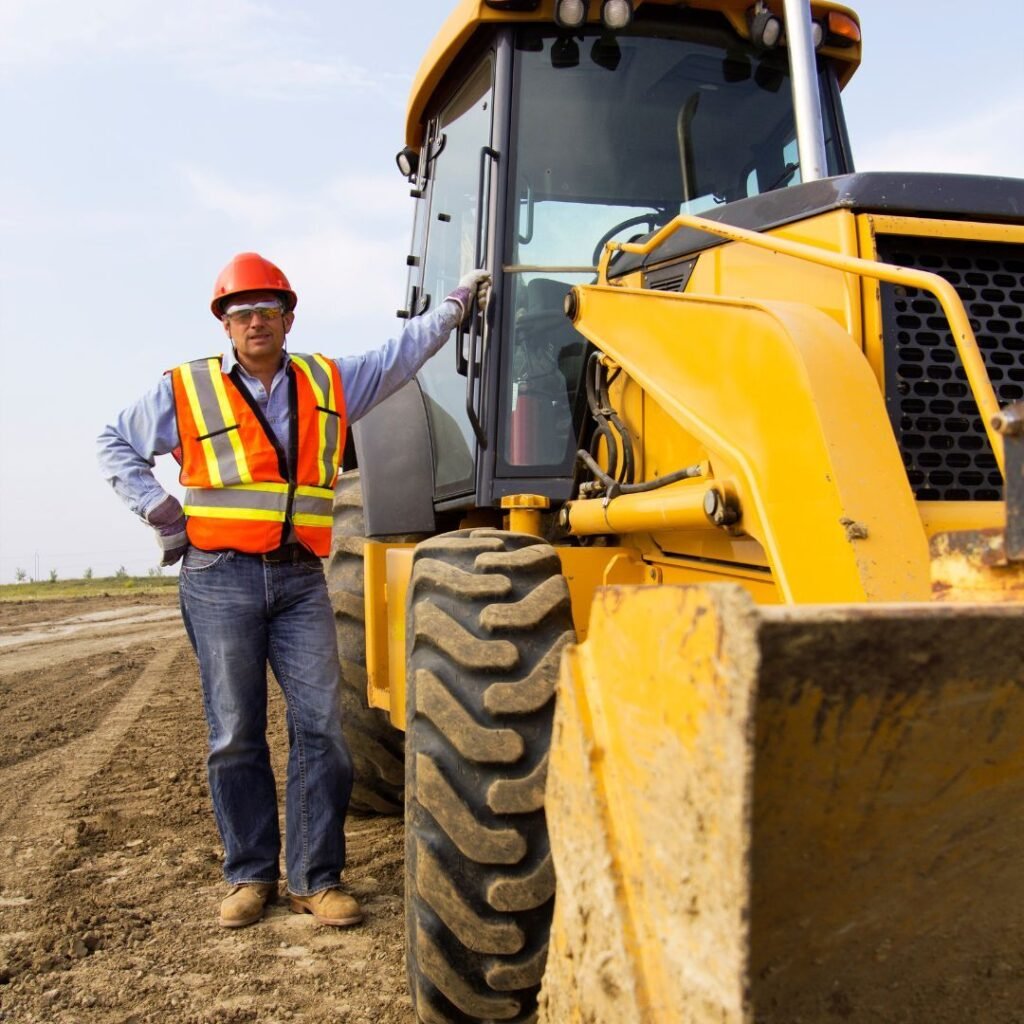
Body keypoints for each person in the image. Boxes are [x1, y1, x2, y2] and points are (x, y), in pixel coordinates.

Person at [97, 252, 490, 929]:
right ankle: (250, 876)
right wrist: (161, 512)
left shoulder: (328, 381)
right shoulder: (187, 389)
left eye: (267, 311)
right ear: (225, 324)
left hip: (303, 579)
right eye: (241, 313)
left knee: (325, 729)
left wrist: (455, 304)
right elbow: (114, 443)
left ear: (288, 317)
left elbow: (402, 353)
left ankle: (316, 878)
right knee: (235, 734)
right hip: (219, 578)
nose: (255, 323)